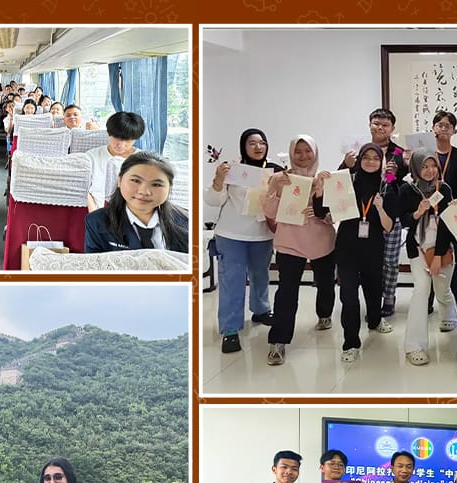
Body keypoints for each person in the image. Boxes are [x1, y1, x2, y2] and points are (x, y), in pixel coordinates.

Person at [263, 135, 337, 366]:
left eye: (308, 151)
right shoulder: (280, 179)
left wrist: (322, 211)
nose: (304, 156)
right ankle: (278, 341)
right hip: (290, 241)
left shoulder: (325, 178)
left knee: (325, 282)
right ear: (291, 153)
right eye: (299, 151)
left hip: (321, 240)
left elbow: (336, 214)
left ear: (315, 153)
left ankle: (324, 314)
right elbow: (269, 212)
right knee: (286, 290)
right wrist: (274, 188)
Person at [207, 128, 282, 354]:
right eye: (252, 143)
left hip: (263, 234)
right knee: (232, 281)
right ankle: (230, 330)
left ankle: (260, 310)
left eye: (262, 142)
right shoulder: (233, 169)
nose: (258, 147)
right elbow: (214, 199)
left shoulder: (276, 171)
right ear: (243, 146)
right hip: (232, 235)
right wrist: (219, 180)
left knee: (260, 275)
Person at [339, 109, 409, 319]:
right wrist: (346, 164)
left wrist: (400, 171)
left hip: (388, 210)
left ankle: (388, 297)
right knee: (368, 260)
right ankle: (370, 301)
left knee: (389, 260)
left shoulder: (399, 153)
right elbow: (342, 180)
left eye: (385, 125)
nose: (380, 128)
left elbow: (406, 180)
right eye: (376, 123)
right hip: (362, 215)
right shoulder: (358, 150)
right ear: (369, 125)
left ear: (392, 128)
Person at [331, 143, 395, 362]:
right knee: (349, 296)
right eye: (365, 157)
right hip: (347, 248)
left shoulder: (387, 186)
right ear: (359, 159)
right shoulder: (348, 181)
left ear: (381, 161)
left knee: (374, 288)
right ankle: (350, 343)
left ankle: (375, 320)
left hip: (374, 248)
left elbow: (388, 227)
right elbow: (327, 207)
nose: (370, 161)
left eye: (375, 158)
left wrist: (378, 207)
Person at [396, 150, 456, 365]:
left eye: (433, 166)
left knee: (442, 287)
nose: (430, 171)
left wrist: (439, 256)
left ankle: (449, 315)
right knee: (421, 290)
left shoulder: (445, 189)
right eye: (424, 166)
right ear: (415, 168)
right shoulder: (407, 190)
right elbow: (403, 221)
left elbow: (448, 226)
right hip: (417, 250)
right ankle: (414, 345)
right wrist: (417, 213)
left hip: (442, 249)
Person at [84, 151, 190, 253]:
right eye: (136, 181)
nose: (144, 192)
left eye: (156, 184)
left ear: (169, 188)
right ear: (120, 181)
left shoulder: (187, 221)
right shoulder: (97, 221)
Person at [432, 110, 457, 311]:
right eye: (439, 124)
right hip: (429, 212)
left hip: (455, 213)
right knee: (428, 254)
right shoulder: (425, 155)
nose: (443, 128)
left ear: (454, 131)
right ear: (433, 129)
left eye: (448, 125)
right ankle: (428, 302)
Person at [86, 112, 145, 210]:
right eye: (116, 137)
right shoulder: (92, 157)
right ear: (109, 134)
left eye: (127, 139)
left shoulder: (144, 161)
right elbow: (84, 189)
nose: (120, 144)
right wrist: (93, 217)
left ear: (135, 139)